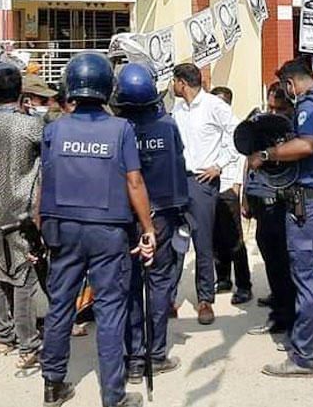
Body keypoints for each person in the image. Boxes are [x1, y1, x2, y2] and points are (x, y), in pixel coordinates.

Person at [39, 52, 156, 407]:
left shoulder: (54, 128)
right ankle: (113, 396)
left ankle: (53, 385)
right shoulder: (121, 129)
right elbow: (134, 182)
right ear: (108, 88)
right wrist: (148, 228)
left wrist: (40, 226)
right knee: (109, 311)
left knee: (60, 306)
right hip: (108, 231)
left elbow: (45, 180)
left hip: (64, 228)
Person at [248, 57, 313, 378]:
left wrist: (266, 155)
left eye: (285, 87)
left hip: (311, 201)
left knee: (308, 278)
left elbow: (307, 145)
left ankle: (303, 357)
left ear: (292, 84)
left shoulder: (310, 105)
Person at [114, 63, 187, 385]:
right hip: (161, 215)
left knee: (130, 287)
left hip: (126, 217)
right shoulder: (167, 126)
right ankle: (155, 355)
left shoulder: (116, 129)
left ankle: (133, 358)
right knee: (158, 285)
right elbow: (179, 163)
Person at [0, 65, 45, 367]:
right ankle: (28, 343)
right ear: (20, 91)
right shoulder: (29, 126)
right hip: (24, 208)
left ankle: (2, 337)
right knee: (24, 277)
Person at [171, 63, 239, 325]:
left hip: (202, 181)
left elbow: (237, 134)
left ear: (182, 83)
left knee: (203, 244)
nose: (172, 87)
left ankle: (205, 300)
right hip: (178, 181)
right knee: (176, 242)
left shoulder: (214, 106)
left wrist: (220, 164)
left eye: (174, 82)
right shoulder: (177, 108)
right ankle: (169, 298)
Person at [245, 84, 297, 336]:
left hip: (283, 203)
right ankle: (279, 299)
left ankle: (284, 316)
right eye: (271, 107)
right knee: (270, 255)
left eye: (281, 108)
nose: (275, 113)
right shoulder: (260, 127)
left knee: (284, 262)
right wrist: (246, 196)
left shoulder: (295, 132)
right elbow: (249, 159)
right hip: (260, 199)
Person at [209, 86, 252, 305]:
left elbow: (242, 158)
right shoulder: (209, 123)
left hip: (229, 187)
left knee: (235, 239)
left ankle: (244, 285)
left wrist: (238, 185)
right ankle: (223, 278)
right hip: (210, 186)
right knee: (216, 237)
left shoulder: (235, 126)